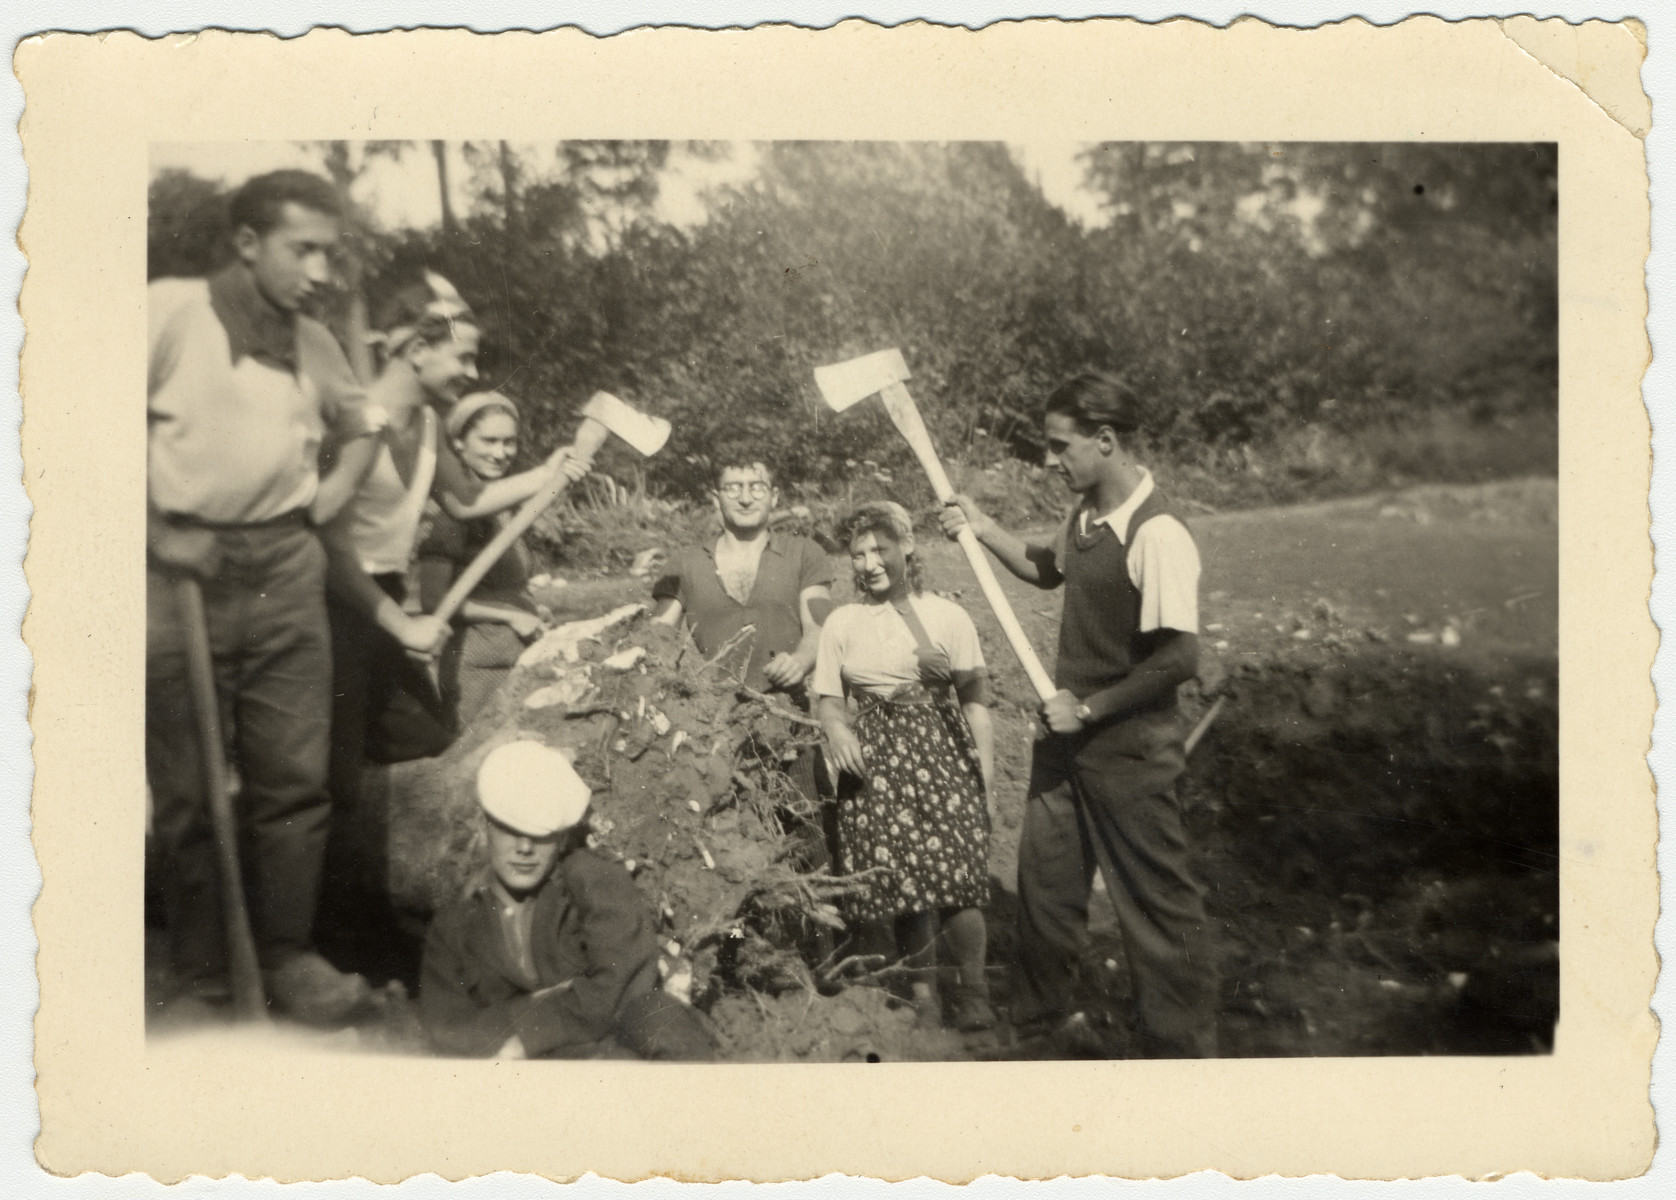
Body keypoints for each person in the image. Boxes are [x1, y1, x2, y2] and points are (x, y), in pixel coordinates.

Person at [146, 169, 433, 1023]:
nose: (320, 270)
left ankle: (287, 956)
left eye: (330, 253)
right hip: (175, 572)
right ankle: (202, 973)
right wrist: (157, 534)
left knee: (294, 783)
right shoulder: (169, 312)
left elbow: (362, 426)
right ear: (246, 243)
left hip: (284, 569)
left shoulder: (314, 342)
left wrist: (332, 495)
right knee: (191, 789)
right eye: (301, 249)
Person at [938, 371, 1219, 1058]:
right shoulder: (1086, 514)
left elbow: (1179, 658)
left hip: (1131, 748)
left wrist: (1089, 707)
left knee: (1156, 907)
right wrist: (984, 529)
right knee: (1046, 888)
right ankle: (1040, 1031)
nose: (1049, 460)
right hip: (1066, 746)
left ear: (1105, 440)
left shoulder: (1158, 535)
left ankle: (1180, 1049)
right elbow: (1046, 569)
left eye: (1060, 446)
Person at [813, 502, 997, 1031]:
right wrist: (839, 728)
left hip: (943, 755)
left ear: (908, 547)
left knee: (959, 879)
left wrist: (983, 772)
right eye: (859, 554)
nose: (869, 563)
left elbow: (975, 702)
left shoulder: (946, 616)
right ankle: (925, 996)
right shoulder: (843, 623)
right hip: (877, 764)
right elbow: (828, 697)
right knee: (909, 885)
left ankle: (976, 992)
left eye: (880, 550)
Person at [420, 741, 716, 1060]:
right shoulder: (458, 921)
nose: (524, 848)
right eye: (509, 828)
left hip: (607, 1052)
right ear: (485, 826)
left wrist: (537, 1029)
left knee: (660, 1018)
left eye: (540, 834)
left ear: (561, 839)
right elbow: (446, 1028)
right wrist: (536, 1010)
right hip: (519, 1071)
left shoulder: (590, 880)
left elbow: (625, 984)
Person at [651, 455, 836, 867]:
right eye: (733, 487)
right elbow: (658, 638)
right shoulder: (685, 562)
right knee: (733, 855)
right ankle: (742, 937)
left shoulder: (804, 553)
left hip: (790, 722)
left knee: (810, 843)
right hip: (718, 729)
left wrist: (801, 660)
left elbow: (821, 625)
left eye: (756, 486)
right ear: (716, 497)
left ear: (774, 496)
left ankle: (819, 934)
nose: (745, 497)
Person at [417, 392, 571, 729]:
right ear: (458, 443)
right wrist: (509, 615)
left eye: (509, 442)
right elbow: (432, 600)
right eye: (489, 441)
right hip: (472, 669)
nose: (500, 453)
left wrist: (526, 607)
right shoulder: (450, 513)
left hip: (511, 661)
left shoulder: (498, 505)